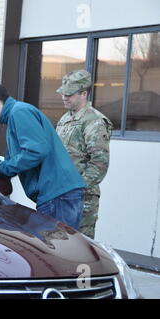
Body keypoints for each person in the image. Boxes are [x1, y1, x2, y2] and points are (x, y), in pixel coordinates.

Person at [0, 82, 86, 230]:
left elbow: (35, 152)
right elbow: (13, 159)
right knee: (59, 248)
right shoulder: (15, 115)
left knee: (57, 249)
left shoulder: (19, 113)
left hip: (57, 195)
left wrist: (2, 168)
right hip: (58, 194)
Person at [56, 70, 113, 239]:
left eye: (69, 94)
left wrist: (78, 187)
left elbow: (99, 163)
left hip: (82, 197)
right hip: (62, 194)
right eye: (63, 94)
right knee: (61, 243)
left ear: (83, 94)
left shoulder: (94, 121)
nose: (64, 97)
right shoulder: (65, 119)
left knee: (81, 246)